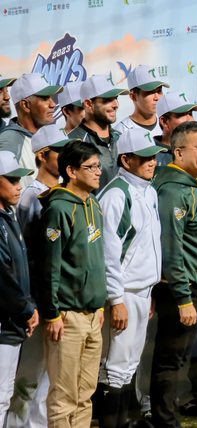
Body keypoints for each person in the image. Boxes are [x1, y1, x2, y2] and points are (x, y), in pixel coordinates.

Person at [96, 128, 166, 427]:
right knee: (115, 365)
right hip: (123, 292)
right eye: (145, 157)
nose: (152, 162)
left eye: (154, 156)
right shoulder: (116, 195)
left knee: (129, 364)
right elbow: (108, 255)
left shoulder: (148, 190)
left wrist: (150, 291)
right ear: (126, 160)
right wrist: (116, 300)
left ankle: (123, 422)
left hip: (142, 290)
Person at [150, 121, 197, 427]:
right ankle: (165, 421)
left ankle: (167, 418)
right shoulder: (173, 191)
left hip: (195, 284)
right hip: (182, 287)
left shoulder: (194, 183)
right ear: (178, 153)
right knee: (170, 359)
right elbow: (171, 249)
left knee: (177, 358)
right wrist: (182, 297)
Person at [9, 126, 76, 428]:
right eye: (59, 151)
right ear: (42, 155)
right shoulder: (30, 196)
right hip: (38, 297)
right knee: (29, 378)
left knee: (52, 377)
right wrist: (34, 301)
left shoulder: (66, 194)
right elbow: (26, 255)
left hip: (59, 297)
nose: (65, 156)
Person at [39, 140, 107, 427]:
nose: (98, 172)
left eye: (99, 166)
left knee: (85, 394)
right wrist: (52, 313)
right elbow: (49, 266)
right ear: (71, 171)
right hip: (67, 317)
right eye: (91, 167)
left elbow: (97, 260)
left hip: (93, 315)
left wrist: (100, 305)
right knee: (64, 397)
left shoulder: (93, 204)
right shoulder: (58, 209)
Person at [0, 151, 37, 425]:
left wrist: (27, 307)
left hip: (12, 321)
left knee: (4, 395)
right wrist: (26, 309)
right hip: (4, 322)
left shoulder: (8, 215)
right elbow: (2, 278)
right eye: (11, 180)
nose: (19, 186)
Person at [68, 74, 130, 189]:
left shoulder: (122, 137)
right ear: (89, 104)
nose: (116, 105)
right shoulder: (72, 142)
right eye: (107, 100)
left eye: (116, 98)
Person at [0, 73, 61, 187]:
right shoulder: (9, 140)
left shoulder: (54, 136)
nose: (53, 104)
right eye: (45, 98)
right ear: (25, 105)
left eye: (51, 98)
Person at [114, 65, 169, 136]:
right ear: (133, 96)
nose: (157, 98)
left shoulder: (168, 124)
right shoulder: (120, 132)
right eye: (150, 92)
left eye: (159, 91)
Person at [155, 92, 197, 166]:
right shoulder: (151, 156)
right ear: (164, 122)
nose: (190, 119)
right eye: (182, 115)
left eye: (190, 114)